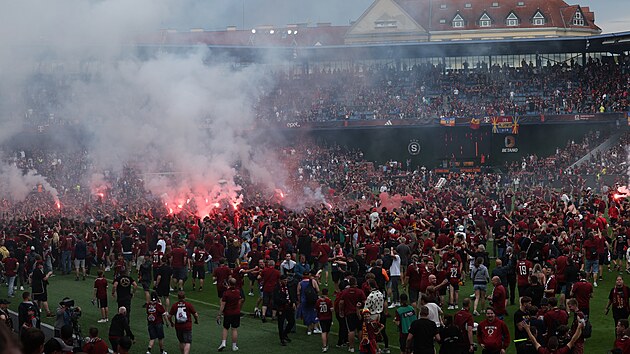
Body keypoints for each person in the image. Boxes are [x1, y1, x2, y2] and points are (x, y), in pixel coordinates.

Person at [339, 276, 366, 353]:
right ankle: (361, 346)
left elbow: (341, 302)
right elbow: (365, 301)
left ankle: (351, 347)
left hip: (349, 313)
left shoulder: (345, 292)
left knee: (351, 330)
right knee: (360, 329)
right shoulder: (360, 291)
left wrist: (341, 311)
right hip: (359, 312)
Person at [217, 278, 244, 352]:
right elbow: (240, 299)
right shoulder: (238, 292)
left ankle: (223, 342)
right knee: (234, 329)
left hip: (228, 313)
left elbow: (223, 305)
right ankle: (234, 346)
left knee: (226, 328)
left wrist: (219, 314)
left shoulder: (226, 293)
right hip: (236, 313)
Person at [274, 274, 297, 346]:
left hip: (288, 307)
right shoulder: (277, 288)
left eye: (286, 280)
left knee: (291, 321)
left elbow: (291, 294)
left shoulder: (288, 286)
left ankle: (285, 334)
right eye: (284, 280)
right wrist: (285, 301)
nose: (286, 281)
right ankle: (282, 339)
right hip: (281, 308)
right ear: (280, 280)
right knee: (281, 324)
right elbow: (276, 299)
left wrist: (293, 302)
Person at [297, 271, 321, 335]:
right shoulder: (313, 281)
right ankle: (315, 328)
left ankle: (309, 329)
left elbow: (298, 293)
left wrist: (299, 301)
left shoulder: (300, 283)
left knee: (306, 315)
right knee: (315, 313)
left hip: (304, 301)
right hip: (313, 300)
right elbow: (318, 290)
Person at [316, 288, 334, 353]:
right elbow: (331, 310)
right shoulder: (329, 300)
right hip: (328, 318)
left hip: (322, 318)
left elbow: (316, 309)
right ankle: (326, 344)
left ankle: (324, 346)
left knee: (323, 332)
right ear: (327, 293)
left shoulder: (318, 301)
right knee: (327, 332)